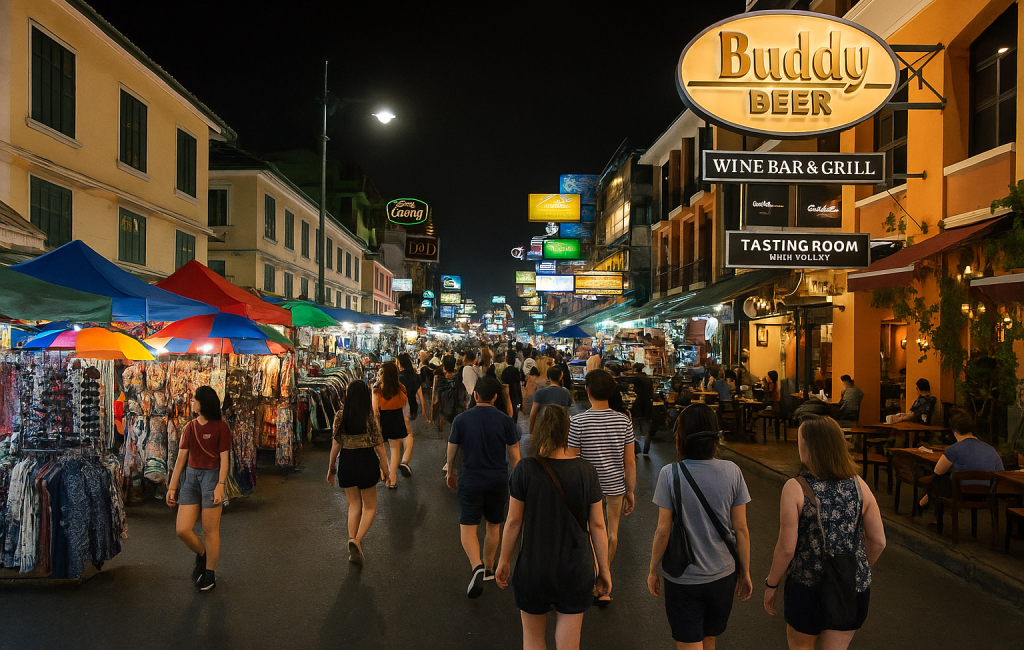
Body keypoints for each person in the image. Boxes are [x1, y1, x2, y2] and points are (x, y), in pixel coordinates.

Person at [764, 416, 886, 650]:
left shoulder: (796, 488)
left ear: (809, 446)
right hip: (851, 588)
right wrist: (855, 569)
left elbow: (787, 548)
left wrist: (771, 584)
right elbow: (879, 541)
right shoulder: (860, 485)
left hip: (808, 587)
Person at [496, 405, 610, 649]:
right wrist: (604, 569)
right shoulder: (586, 471)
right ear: (567, 431)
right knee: (568, 644)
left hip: (533, 569)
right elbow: (598, 525)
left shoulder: (525, 469)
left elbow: (514, 521)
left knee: (533, 640)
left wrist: (504, 560)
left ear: (538, 429)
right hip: (575, 569)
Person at [648, 404, 752, 649]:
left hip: (684, 578)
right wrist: (745, 572)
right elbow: (742, 530)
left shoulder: (669, 473)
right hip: (723, 576)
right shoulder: (733, 471)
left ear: (681, 435)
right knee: (710, 640)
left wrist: (653, 569)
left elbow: (663, 530)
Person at [446, 377, 522, 598]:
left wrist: (450, 471)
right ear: (496, 397)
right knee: (494, 525)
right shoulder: (505, 420)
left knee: (468, 526)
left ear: (475, 395)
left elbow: (452, 449)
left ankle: (476, 566)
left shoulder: (462, 419)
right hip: (497, 479)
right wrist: (519, 479)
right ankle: (489, 568)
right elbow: (515, 454)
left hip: (470, 478)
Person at [568, 369, 636, 606]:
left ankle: (594, 576)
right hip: (615, 484)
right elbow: (629, 460)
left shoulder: (577, 422)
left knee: (589, 530)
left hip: (587, 486)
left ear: (587, 391)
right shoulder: (623, 420)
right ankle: (604, 581)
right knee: (612, 532)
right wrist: (631, 490)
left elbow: (572, 459)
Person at [165, 386, 231, 591]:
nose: (191, 402)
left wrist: (221, 485)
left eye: (194, 399)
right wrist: (172, 487)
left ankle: (210, 573)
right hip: (192, 478)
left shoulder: (221, 427)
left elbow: (224, 459)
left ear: (203, 403)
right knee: (182, 529)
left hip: (212, 478)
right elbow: (181, 459)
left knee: (210, 530)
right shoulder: (190, 427)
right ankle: (202, 555)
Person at [327, 380, 390, 566]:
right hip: (366, 462)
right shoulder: (370, 417)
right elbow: (380, 448)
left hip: (346, 462)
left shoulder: (340, 415)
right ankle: (356, 540)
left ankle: (352, 541)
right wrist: (386, 472)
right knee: (370, 507)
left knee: (354, 505)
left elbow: (335, 444)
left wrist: (331, 468)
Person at [919, 414, 1004, 516]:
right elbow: (1001, 472)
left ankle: (925, 506)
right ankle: (925, 501)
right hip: (986, 495)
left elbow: (938, 471)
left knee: (938, 479)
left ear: (955, 431)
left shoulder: (953, 449)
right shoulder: (990, 449)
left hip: (961, 494)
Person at [373, 361, 413, 488]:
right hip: (397, 419)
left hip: (382, 420)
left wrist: (376, 426)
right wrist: (406, 421)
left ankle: (383, 472)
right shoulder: (401, 388)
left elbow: (375, 410)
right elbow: (406, 406)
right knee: (395, 449)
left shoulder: (377, 389)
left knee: (381, 450)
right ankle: (393, 477)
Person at [397, 353, 425, 464]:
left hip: (399, 409)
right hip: (412, 409)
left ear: (401, 365)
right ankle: (404, 459)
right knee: (407, 432)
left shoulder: (397, 378)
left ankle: (401, 460)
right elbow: (421, 396)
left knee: (402, 434)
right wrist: (424, 411)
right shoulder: (415, 377)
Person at [529, 367, 573, 435]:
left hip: (543, 427)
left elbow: (533, 413)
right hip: (559, 428)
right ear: (561, 377)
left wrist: (531, 431)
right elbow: (567, 413)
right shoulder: (565, 393)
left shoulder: (539, 393)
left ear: (548, 378)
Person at [630, 362, 655, 457]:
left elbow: (635, 390)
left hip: (639, 405)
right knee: (647, 429)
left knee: (636, 428)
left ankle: (636, 450)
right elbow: (651, 392)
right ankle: (646, 451)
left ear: (636, 369)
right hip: (648, 405)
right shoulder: (648, 379)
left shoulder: (636, 379)